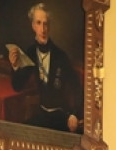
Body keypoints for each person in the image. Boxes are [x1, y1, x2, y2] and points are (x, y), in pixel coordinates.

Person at [9, 3, 82, 132]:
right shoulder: (30, 53)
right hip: (42, 114)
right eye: (38, 23)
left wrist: (74, 114)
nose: (43, 29)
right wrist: (15, 66)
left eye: (46, 23)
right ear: (33, 26)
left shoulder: (61, 56)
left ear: (49, 26)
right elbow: (18, 86)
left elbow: (76, 87)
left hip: (62, 116)